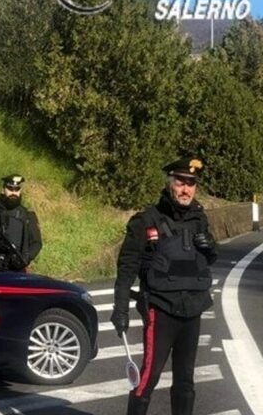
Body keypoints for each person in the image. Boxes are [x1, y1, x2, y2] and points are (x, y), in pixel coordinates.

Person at [111, 157, 218, 415]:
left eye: (191, 183)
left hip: (192, 310)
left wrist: (211, 248)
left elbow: (208, 259)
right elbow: (126, 269)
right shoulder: (145, 220)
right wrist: (121, 309)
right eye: (181, 182)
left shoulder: (199, 219)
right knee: (148, 377)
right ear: (169, 183)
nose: (186, 189)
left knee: (185, 382)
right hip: (160, 310)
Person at [0, 174, 43, 272]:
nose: (13, 192)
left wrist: (25, 259)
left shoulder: (28, 215)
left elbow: (36, 243)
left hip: (17, 270)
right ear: (3, 190)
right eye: (10, 189)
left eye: (17, 189)